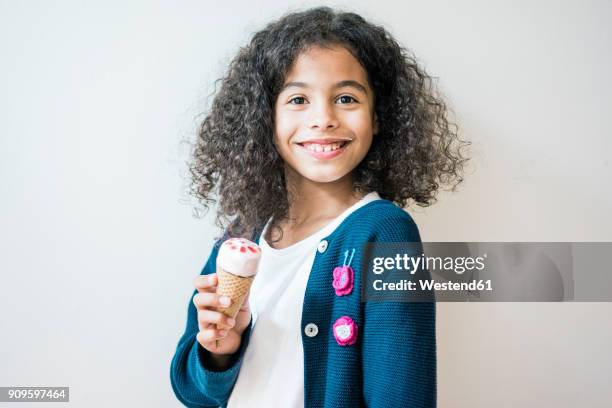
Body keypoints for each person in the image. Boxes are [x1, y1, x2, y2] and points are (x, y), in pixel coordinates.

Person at [170, 6, 467, 408]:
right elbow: (192, 390)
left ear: (378, 116)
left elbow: (402, 396)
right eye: (297, 99)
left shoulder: (385, 233)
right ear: (266, 118)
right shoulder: (242, 233)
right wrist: (219, 349)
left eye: (346, 98)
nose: (323, 119)